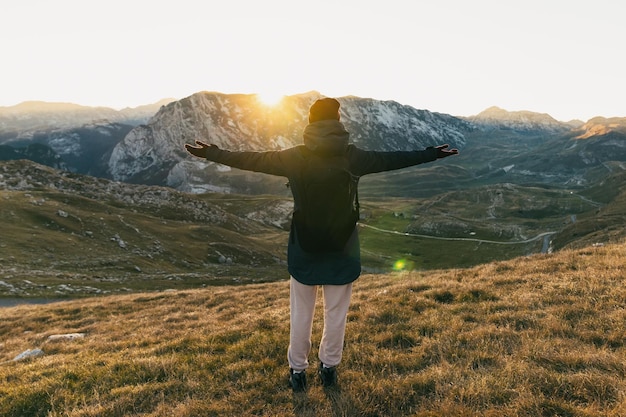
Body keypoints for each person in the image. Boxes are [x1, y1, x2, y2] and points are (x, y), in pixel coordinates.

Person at [185, 97, 458, 393]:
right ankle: (329, 367)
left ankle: (298, 371)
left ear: (310, 121)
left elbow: (252, 159)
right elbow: (392, 159)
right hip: (343, 245)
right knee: (336, 313)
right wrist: (430, 154)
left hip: (305, 246)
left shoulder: (294, 157)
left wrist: (213, 154)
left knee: (301, 314)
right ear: (338, 120)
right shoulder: (353, 156)